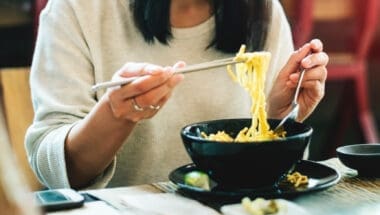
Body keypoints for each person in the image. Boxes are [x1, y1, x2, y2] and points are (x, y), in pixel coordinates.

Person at [26, 0, 328, 189]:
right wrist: (115, 116)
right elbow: (56, 170)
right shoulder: (76, 9)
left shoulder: (262, 10)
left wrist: (279, 121)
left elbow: (279, 181)